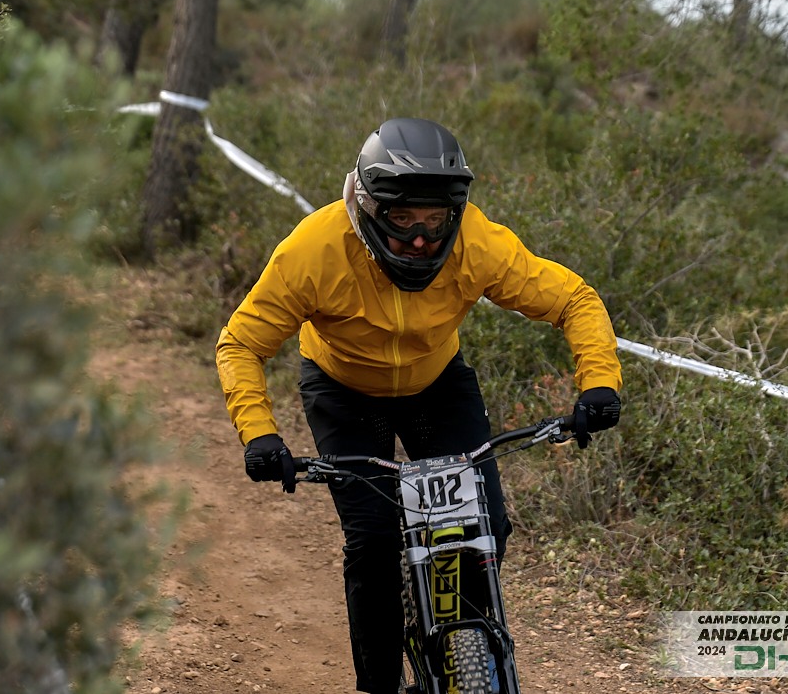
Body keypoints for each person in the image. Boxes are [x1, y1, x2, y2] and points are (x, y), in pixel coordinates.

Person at [215, 117, 622, 694]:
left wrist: (599, 384)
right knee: (375, 541)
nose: (420, 241)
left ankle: (462, 644)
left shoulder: (478, 243)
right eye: (403, 220)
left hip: (435, 382)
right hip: (343, 388)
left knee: (487, 528)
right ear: (369, 206)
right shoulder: (313, 250)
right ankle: (378, 684)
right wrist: (260, 434)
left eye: (434, 222)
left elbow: (574, 298)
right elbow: (240, 344)